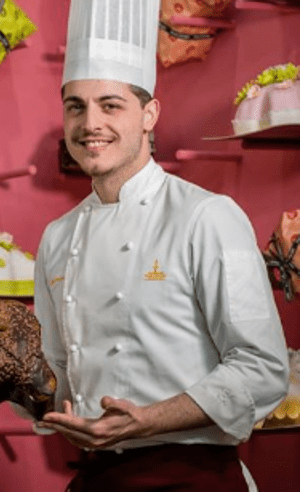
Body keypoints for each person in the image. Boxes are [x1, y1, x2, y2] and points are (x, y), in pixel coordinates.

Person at [33, 1, 289, 490]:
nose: (90, 124)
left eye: (110, 105)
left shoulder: (206, 216)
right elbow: (56, 369)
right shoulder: (58, 236)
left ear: (149, 114)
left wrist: (147, 420)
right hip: (97, 477)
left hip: (193, 476)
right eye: (76, 106)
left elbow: (263, 369)